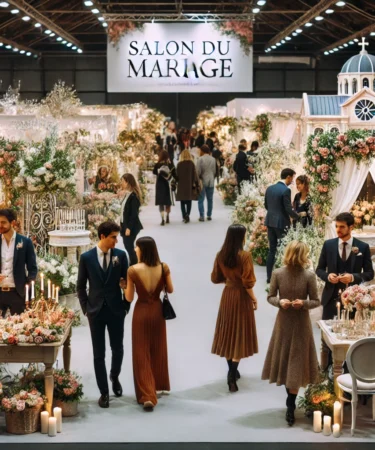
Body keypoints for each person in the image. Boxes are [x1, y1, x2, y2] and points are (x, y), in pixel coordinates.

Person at [262, 241, 320, 426]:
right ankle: (291, 401)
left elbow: (316, 301)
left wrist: (302, 304)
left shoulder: (308, 275)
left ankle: (290, 403)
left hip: (300, 322)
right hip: (286, 322)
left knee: (294, 360)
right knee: (289, 358)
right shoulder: (279, 273)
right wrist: (280, 302)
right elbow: (270, 296)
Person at [77, 221, 130, 408]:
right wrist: (86, 308)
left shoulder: (121, 256)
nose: (117, 240)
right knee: (98, 354)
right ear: (102, 237)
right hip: (95, 312)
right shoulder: (87, 258)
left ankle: (114, 376)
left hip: (116, 310)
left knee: (118, 349)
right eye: (114, 237)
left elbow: (127, 283)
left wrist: (126, 306)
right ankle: (104, 392)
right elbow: (80, 286)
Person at [125, 236, 173, 411]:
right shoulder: (163, 267)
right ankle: (158, 383)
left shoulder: (132, 270)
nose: (135, 250)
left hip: (141, 311)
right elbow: (171, 289)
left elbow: (129, 297)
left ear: (142, 250)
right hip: (158, 312)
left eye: (136, 248)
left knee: (141, 351)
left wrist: (124, 287)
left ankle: (147, 395)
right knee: (158, 347)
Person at [211, 224, 258, 393]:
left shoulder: (220, 255)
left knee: (227, 332)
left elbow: (216, 277)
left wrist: (229, 279)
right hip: (241, 297)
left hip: (227, 296)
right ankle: (232, 372)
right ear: (241, 237)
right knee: (239, 333)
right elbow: (248, 282)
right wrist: (254, 298)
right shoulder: (245, 256)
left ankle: (232, 371)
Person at [316, 212, 374, 321]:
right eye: (337, 226)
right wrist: (328, 276)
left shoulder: (362, 247)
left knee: (351, 334)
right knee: (327, 334)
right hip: (330, 298)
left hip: (354, 300)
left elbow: (370, 274)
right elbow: (319, 269)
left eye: (342, 226)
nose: (338, 229)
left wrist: (353, 277)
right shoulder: (328, 245)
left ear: (351, 227)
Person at [264, 168, 300, 283]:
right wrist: (298, 216)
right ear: (288, 177)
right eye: (292, 178)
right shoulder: (285, 190)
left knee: (272, 250)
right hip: (281, 223)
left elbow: (266, 205)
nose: (292, 181)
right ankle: (283, 277)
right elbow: (288, 209)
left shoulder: (270, 188)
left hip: (270, 222)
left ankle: (269, 277)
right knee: (284, 249)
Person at [0, 208, 37, 315]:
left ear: (12, 223)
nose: (0, 225)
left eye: (3, 222)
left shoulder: (25, 242)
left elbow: (32, 269)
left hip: (18, 294)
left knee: (19, 328)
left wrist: (28, 289)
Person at [120, 173, 143, 266]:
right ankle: (133, 264)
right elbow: (124, 211)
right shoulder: (128, 194)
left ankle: (134, 265)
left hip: (131, 227)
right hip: (125, 225)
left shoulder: (133, 196)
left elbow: (133, 214)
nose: (121, 183)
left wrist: (128, 228)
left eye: (122, 181)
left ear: (128, 182)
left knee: (129, 247)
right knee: (128, 246)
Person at [153, 151, 177, 226]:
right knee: (167, 202)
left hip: (159, 185)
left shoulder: (157, 164)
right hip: (167, 185)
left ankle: (162, 218)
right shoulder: (170, 164)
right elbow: (174, 174)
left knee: (161, 202)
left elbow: (154, 172)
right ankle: (167, 216)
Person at [176, 150, 199, 224]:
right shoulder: (191, 164)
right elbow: (194, 175)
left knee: (182, 201)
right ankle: (187, 215)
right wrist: (195, 183)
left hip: (181, 185)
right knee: (189, 201)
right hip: (189, 185)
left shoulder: (179, 164)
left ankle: (184, 215)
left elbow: (176, 176)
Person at [196, 144, 217, 222]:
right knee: (210, 199)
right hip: (211, 180)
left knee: (201, 199)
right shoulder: (213, 159)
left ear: (202, 151)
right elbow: (214, 171)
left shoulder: (200, 159)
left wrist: (198, 179)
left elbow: (198, 171)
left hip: (202, 181)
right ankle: (209, 215)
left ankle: (202, 215)